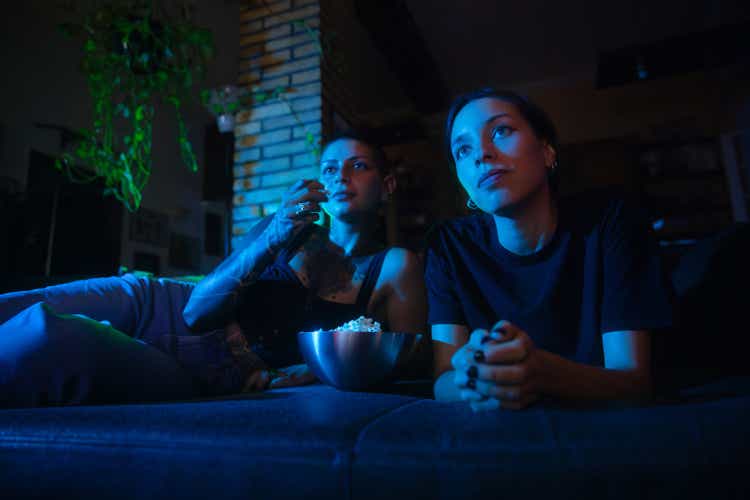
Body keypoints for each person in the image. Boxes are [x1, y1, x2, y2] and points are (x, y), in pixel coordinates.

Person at [0, 133, 426, 406]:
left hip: (212, 372)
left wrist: (307, 377)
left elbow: (404, 367)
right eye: (330, 168)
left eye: (358, 166)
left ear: (386, 185)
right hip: (158, 302)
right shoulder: (287, 230)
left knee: (45, 336)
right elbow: (197, 309)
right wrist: (273, 235)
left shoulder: (394, 266)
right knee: (13, 307)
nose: (340, 177)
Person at [426, 88, 673, 411]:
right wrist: (483, 382)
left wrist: (543, 374)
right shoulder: (449, 245)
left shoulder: (611, 222)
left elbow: (636, 383)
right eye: (462, 150)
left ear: (547, 151)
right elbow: (444, 380)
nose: (481, 155)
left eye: (501, 131)